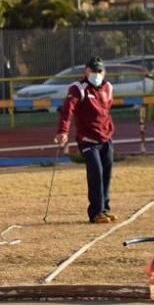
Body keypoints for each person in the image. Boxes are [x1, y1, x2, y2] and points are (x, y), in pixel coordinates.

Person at [55, 56, 116, 224]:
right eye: (93, 70)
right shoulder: (77, 88)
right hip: (87, 140)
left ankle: (104, 208)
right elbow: (67, 110)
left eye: (99, 71)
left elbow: (106, 110)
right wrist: (63, 131)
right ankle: (95, 212)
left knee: (106, 173)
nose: (96, 74)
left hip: (105, 138)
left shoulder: (108, 87)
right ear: (86, 70)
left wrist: (108, 131)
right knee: (95, 172)